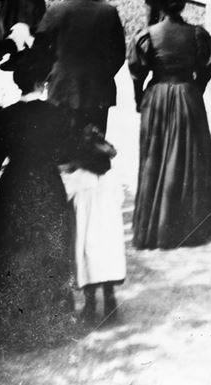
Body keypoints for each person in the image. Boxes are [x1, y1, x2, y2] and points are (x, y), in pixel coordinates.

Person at [0, 47, 74, 349]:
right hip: (47, 185)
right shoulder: (59, 114)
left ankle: (11, 326)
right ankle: (50, 324)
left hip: (15, 186)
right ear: (43, 80)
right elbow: (68, 154)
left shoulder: (1, 119)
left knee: (12, 250)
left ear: (17, 81)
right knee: (49, 247)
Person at [128, 0, 211, 249]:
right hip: (187, 94)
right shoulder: (196, 34)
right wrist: (197, 87)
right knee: (191, 155)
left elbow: (136, 73)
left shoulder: (147, 36)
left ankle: (157, 225)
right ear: (182, 5)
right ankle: (192, 224)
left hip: (157, 95)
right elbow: (210, 63)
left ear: (159, 6)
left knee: (156, 156)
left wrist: (139, 99)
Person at [33, 0, 126, 138]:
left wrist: (46, 77)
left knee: (63, 148)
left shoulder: (56, 11)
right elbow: (118, 54)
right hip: (98, 91)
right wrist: (102, 74)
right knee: (93, 152)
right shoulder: (108, 11)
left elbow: (40, 52)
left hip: (62, 90)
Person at [60, 124, 126, 326]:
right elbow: (120, 198)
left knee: (88, 260)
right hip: (108, 229)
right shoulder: (111, 177)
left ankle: (90, 306)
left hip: (87, 228)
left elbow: (65, 196)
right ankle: (110, 300)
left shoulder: (78, 177)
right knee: (107, 260)